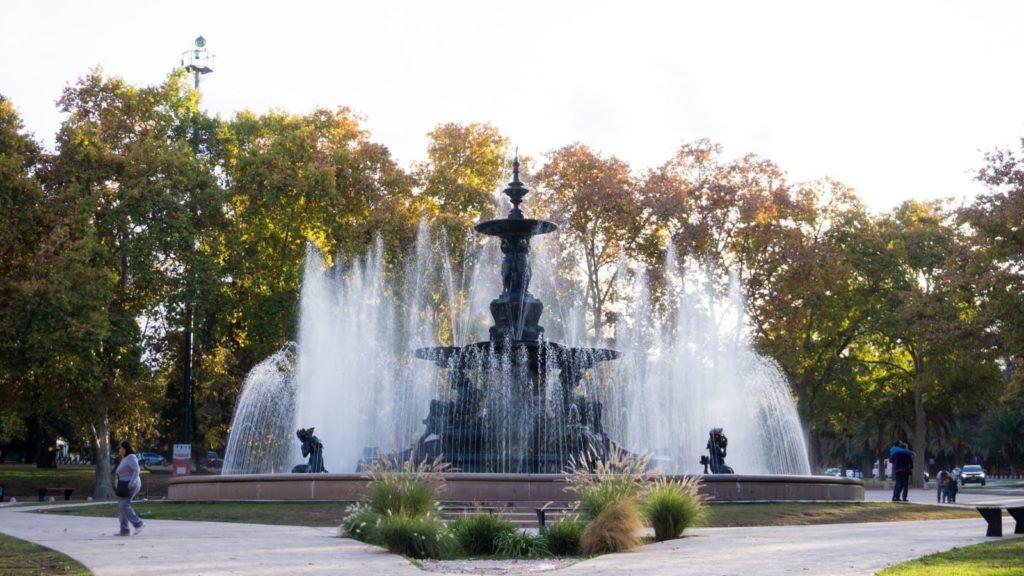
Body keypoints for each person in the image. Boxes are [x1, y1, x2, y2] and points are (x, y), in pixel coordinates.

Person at [114, 440, 144, 536]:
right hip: (123, 485)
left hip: (131, 485)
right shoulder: (124, 458)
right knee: (120, 506)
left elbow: (137, 470)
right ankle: (124, 530)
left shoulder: (131, 457)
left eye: (121, 448)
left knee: (124, 505)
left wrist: (132, 482)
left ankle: (139, 524)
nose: (119, 450)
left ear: (125, 449)